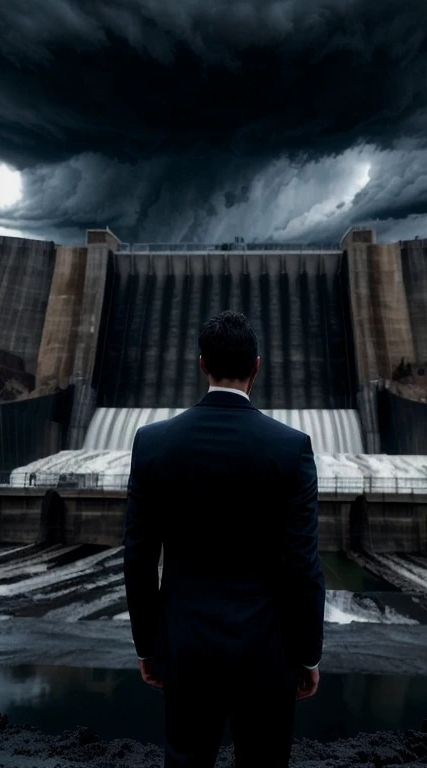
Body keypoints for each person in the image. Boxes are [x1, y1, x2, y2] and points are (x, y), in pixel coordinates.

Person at [123, 310, 325, 767]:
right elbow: (303, 565)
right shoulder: (290, 447)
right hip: (268, 650)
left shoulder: (153, 443)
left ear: (201, 364)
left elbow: (137, 558)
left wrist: (148, 646)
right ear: (257, 366)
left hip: (186, 646)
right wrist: (308, 654)